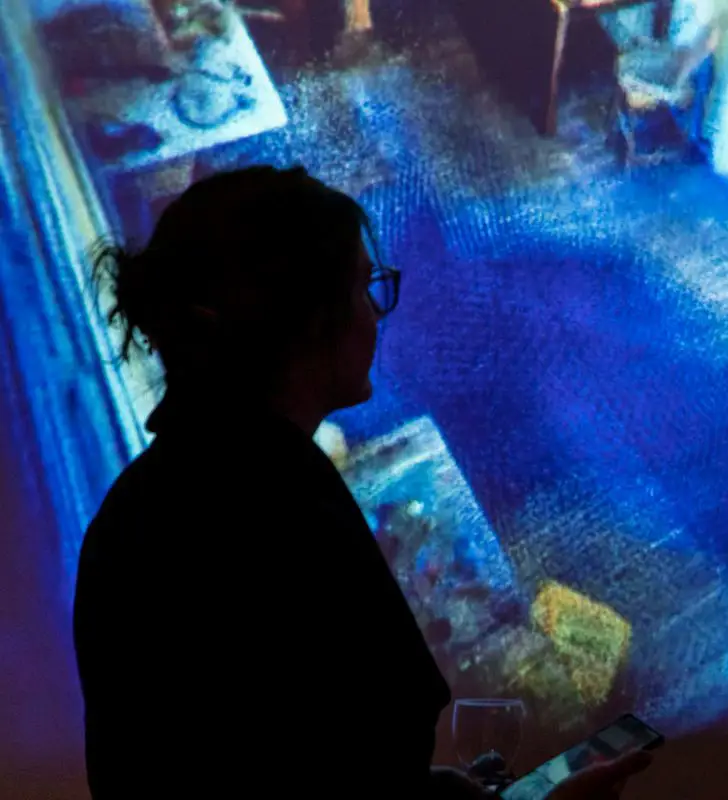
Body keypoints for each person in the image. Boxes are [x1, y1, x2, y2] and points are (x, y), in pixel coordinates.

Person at [74, 165, 652, 798]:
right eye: (361, 287)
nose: (375, 316)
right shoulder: (278, 505)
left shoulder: (138, 503)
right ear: (302, 319)